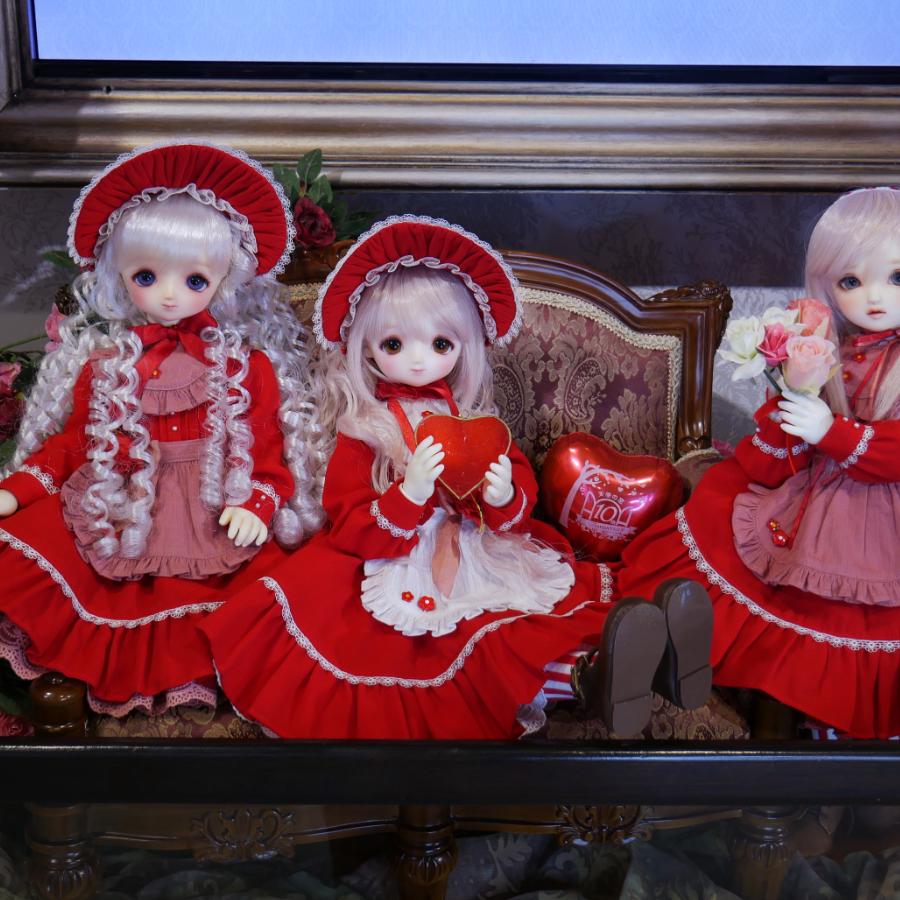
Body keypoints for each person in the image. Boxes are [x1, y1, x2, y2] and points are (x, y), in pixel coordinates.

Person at [201, 215, 713, 739]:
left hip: (477, 545)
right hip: (394, 556)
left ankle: (655, 660)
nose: (418, 361)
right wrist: (409, 494)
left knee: (523, 616)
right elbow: (349, 518)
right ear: (366, 349)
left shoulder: (473, 421)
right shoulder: (365, 430)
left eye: (441, 344)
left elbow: (516, 488)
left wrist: (504, 492)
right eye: (394, 345)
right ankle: (591, 679)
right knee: (464, 641)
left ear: (464, 347)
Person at [0, 142, 322, 715]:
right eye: (147, 276)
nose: (170, 294)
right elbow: (71, 449)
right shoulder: (107, 368)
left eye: (195, 279)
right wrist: (18, 490)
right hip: (125, 508)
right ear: (120, 278)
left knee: (256, 600)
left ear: (224, 280)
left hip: (212, 511)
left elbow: (269, 457)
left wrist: (258, 503)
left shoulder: (247, 369)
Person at [616, 187, 900, 738]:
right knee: (723, 518)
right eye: (850, 281)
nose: (873, 298)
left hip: (880, 521)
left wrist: (833, 433)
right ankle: (696, 667)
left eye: (896, 277)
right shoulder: (828, 351)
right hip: (814, 500)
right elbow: (774, 462)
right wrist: (792, 400)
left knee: (849, 619)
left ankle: (831, 754)